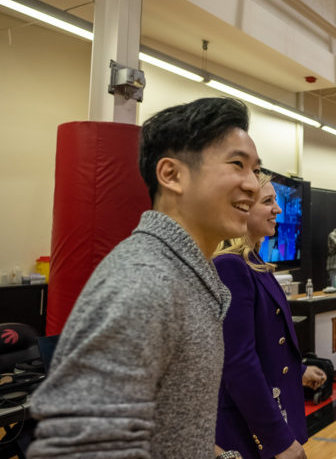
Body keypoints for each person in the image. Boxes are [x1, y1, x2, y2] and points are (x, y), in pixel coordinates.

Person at [28, 98, 261, 458]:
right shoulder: (145, 281)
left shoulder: (187, 274)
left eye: (256, 170)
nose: (254, 185)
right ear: (171, 175)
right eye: (237, 165)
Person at [213, 173, 326, 459]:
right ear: (241, 207)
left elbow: (266, 344)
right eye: (267, 202)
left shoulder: (252, 262)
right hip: (246, 427)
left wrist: (299, 371)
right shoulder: (230, 266)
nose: (278, 209)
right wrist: (278, 440)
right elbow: (238, 363)